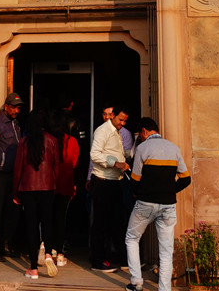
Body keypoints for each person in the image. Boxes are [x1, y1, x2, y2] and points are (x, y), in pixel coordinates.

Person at [123, 117, 190, 291]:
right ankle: (164, 289)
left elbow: (135, 181)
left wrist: (137, 191)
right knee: (166, 250)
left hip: (146, 203)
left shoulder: (143, 148)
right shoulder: (174, 148)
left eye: (140, 134)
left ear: (144, 131)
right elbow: (186, 178)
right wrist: (169, 190)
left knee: (132, 238)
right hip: (168, 204)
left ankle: (137, 282)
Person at [13, 109, 60, 279]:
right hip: (47, 188)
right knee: (47, 222)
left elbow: (18, 169)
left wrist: (15, 192)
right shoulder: (52, 140)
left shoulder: (24, 142)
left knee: (31, 227)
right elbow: (56, 166)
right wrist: (53, 184)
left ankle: (33, 268)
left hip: (28, 189)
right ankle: (48, 253)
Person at [88, 104, 130, 272]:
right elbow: (94, 154)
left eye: (125, 121)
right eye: (121, 119)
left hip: (115, 181)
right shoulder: (103, 131)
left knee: (116, 222)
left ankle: (118, 258)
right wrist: (116, 163)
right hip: (103, 181)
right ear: (112, 116)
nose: (123, 123)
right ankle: (97, 261)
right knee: (100, 223)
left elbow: (117, 153)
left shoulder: (117, 132)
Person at [0, 92, 24, 259]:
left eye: (18, 108)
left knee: (11, 212)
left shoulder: (16, 124)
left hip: (13, 175)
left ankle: (4, 245)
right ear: (6, 106)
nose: (16, 110)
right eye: (13, 107)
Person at [47, 109, 79, 268]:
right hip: (65, 183)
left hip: (49, 183)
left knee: (47, 218)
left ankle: (48, 251)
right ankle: (59, 253)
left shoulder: (49, 140)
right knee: (61, 218)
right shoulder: (72, 141)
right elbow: (74, 163)